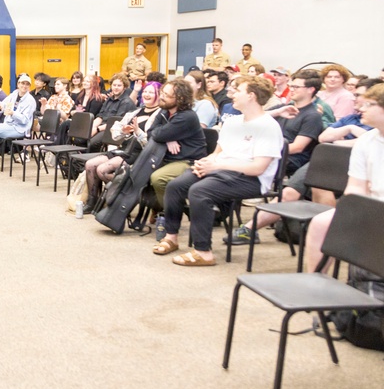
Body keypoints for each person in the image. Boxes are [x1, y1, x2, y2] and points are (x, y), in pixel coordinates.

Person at [226, 78, 379, 247]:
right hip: (327, 160)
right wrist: (348, 131)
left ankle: (336, 237)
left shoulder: (316, 115)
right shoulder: (351, 118)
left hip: (342, 163)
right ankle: (249, 229)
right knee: (289, 192)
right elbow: (324, 138)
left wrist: (343, 137)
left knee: (323, 190)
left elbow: (308, 145)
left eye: (360, 95)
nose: (355, 98)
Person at [152, 75, 283, 266]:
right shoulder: (233, 122)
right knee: (176, 185)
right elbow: (217, 153)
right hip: (221, 170)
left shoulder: (268, 126)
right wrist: (204, 162)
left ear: (252, 96)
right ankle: (171, 237)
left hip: (250, 178)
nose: (232, 94)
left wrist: (217, 165)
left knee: (199, 191)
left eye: (237, 90)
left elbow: (258, 168)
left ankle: (203, 251)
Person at [304, 83, 384, 273]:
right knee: (321, 223)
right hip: (372, 205)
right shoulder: (367, 140)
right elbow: (355, 187)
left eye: (368, 104)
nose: (360, 108)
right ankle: (314, 281)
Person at [83, 82, 162, 205]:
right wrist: (123, 132)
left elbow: (152, 143)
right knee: (90, 164)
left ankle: (128, 192)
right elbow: (115, 132)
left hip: (140, 154)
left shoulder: (159, 115)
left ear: (159, 95)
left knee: (102, 170)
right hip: (124, 149)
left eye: (151, 92)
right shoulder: (135, 112)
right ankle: (92, 202)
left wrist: (138, 131)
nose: (147, 94)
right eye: (145, 91)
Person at [145, 79, 207, 233]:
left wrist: (164, 136)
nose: (161, 97)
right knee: (139, 174)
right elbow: (150, 133)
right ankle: (161, 207)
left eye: (166, 95)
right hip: (167, 158)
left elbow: (158, 134)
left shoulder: (187, 117)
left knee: (158, 178)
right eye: (162, 93)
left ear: (179, 99)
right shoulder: (164, 112)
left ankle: (169, 213)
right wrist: (168, 139)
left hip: (188, 161)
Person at [267, 69, 324, 175]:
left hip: (290, 159)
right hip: (273, 153)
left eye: (296, 87)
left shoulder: (312, 116)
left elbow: (297, 147)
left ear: (310, 89)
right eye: (291, 86)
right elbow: (257, 117)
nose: (291, 90)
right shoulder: (282, 108)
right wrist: (276, 112)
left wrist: (265, 151)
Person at [88, 73, 136, 151]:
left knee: (92, 143)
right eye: (114, 85)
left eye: (119, 85)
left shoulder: (126, 102)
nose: (116, 88)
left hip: (113, 130)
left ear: (124, 87)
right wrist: (92, 127)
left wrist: (97, 129)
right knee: (81, 139)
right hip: (102, 126)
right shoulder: (109, 100)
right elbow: (100, 116)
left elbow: (116, 123)